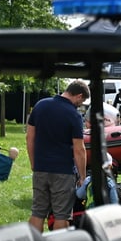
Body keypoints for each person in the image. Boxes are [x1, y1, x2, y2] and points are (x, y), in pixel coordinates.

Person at [26, 80, 90, 232]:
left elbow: (29, 138)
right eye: (81, 102)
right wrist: (82, 177)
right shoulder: (74, 115)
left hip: (41, 168)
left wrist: (34, 163)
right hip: (63, 172)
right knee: (62, 216)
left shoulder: (40, 105)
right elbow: (79, 149)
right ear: (79, 95)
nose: (80, 105)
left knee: (37, 213)